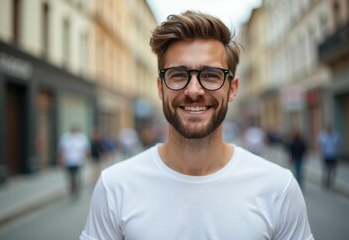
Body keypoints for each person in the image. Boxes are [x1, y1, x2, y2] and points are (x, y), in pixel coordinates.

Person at [80, 11, 313, 240]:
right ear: (161, 88)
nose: (193, 91)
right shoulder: (115, 186)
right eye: (178, 75)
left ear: (232, 89)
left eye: (211, 75)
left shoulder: (278, 188)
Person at [59, 124, 90, 198]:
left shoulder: (82, 137)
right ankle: (72, 189)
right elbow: (61, 150)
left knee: (77, 175)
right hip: (69, 161)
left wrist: (86, 158)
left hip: (78, 161)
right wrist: (61, 160)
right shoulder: (65, 137)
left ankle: (77, 188)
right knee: (70, 176)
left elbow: (86, 149)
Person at [318, 124, 340, 188]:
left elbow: (337, 144)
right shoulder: (323, 135)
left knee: (332, 169)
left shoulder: (335, 135)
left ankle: (331, 181)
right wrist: (320, 152)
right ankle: (326, 181)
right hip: (326, 155)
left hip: (333, 155)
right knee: (326, 169)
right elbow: (320, 144)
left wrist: (337, 151)